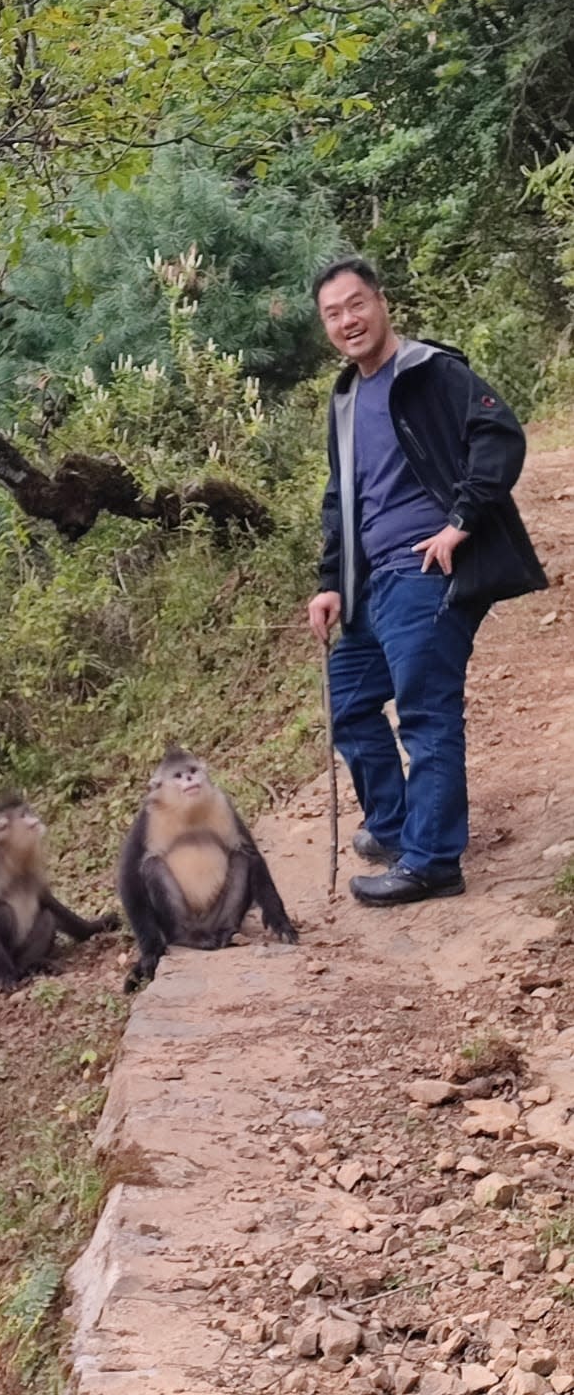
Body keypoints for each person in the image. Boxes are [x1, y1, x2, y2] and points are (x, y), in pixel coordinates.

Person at [307, 257, 547, 907]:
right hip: (368, 585)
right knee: (351, 704)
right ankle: (393, 826)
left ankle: (434, 860)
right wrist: (331, 582)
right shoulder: (347, 398)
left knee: (425, 714)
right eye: (334, 313)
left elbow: (498, 434)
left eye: (356, 304)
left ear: (382, 303)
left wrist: (460, 523)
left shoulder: (430, 372)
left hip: (424, 575)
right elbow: (342, 498)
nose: (348, 321)